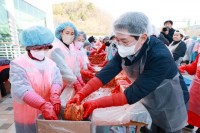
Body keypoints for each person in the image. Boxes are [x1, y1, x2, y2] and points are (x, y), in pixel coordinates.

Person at [68, 12, 189, 133]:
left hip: (170, 101)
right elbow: (108, 71)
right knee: (149, 127)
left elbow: (134, 93)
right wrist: (82, 93)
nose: (120, 45)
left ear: (142, 37)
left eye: (124, 41)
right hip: (149, 96)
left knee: (166, 129)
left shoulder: (160, 56)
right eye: (118, 40)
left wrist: (96, 103)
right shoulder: (128, 48)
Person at [10, 26, 63, 133]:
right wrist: (42, 104)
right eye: (38, 48)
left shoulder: (51, 63)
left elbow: (56, 80)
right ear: (28, 47)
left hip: (48, 112)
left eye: (46, 47)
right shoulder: (18, 64)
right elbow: (21, 89)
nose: (42, 51)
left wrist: (55, 94)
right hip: (26, 114)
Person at [48, 22, 84, 93]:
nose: (69, 36)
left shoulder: (71, 47)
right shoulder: (55, 48)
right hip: (58, 85)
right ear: (61, 33)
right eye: (67, 33)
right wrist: (75, 82)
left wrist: (79, 77)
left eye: (72, 34)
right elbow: (63, 69)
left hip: (69, 84)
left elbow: (76, 64)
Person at [179, 52, 200, 133]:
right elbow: (193, 68)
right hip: (195, 89)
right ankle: (190, 123)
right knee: (191, 107)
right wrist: (185, 67)